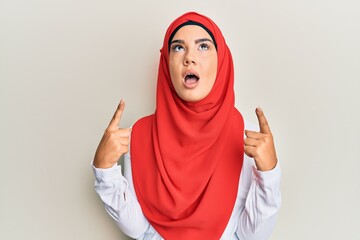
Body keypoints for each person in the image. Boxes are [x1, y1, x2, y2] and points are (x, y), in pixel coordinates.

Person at [92, 12, 281, 240]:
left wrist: (268, 174)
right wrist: (105, 171)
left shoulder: (248, 139)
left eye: (203, 47)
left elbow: (250, 236)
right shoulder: (139, 135)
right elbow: (140, 230)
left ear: (221, 60)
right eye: (178, 48)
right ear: (166, 63)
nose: (189, 58)